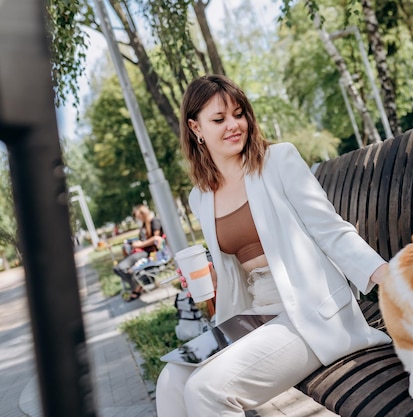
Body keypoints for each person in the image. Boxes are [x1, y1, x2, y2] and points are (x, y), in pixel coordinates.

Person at [155, 74, 390, 417]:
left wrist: (389, 276)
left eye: (239, 114)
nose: (234, 125)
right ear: (196, 128)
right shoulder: (200, 197)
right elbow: (235, 266)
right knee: (170, 379)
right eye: (219, 119)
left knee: (207, 391)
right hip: (256, 313)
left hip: (309, 311)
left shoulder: (278, 160)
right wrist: (213, 278)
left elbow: (331, 230)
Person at [113, 204, 164, 301]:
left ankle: (136, 288)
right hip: (142, 252)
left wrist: (140, 244)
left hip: (148, 253)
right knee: (117, 268)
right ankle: (137, 287)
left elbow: (156, 239)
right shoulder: (146, 224)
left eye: (138, 217)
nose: (138, 220)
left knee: (120, 268)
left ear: (143, 214)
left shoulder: (154, 222)